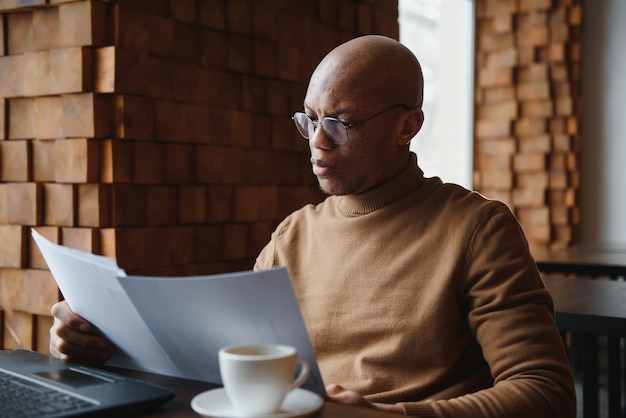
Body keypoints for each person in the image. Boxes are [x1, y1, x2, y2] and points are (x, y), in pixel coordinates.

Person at [50, 35, 576, 417]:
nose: (317, 145)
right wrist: (106, 345)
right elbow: (225, 369)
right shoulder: (292, 236)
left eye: (340, 123)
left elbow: (546, 392)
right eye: (309, 119)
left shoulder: (478, 229)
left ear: (407, 126)